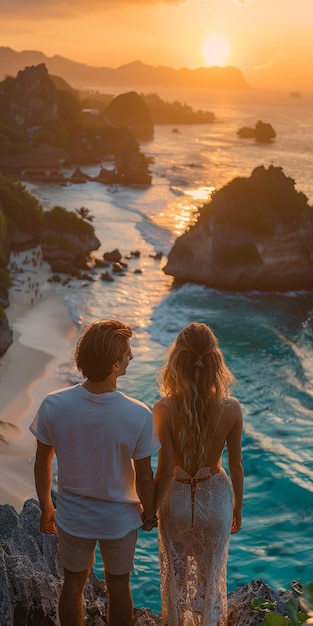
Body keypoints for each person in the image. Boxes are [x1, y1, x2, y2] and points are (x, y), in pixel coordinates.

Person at [29, 319, 160, 626]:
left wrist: (47, 506)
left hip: (73, 515)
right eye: (127, 354)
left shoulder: (54, 405)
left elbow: (41, 463)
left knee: (73, 585)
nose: (132, 357)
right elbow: (144, 476)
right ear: (115, 364)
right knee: (118, 587)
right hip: (120, 518)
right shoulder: (138, 413)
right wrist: (151, 514)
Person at [153, 322, 244, 626]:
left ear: (176, 362)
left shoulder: (163, 408)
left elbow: (164, 468)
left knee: (176, 579)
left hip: (176, 499)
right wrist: (238, 507)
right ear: (216, 362)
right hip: (215, 499)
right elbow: (236, 465)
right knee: (211, 573)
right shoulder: (231, 408)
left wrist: (151, 508)